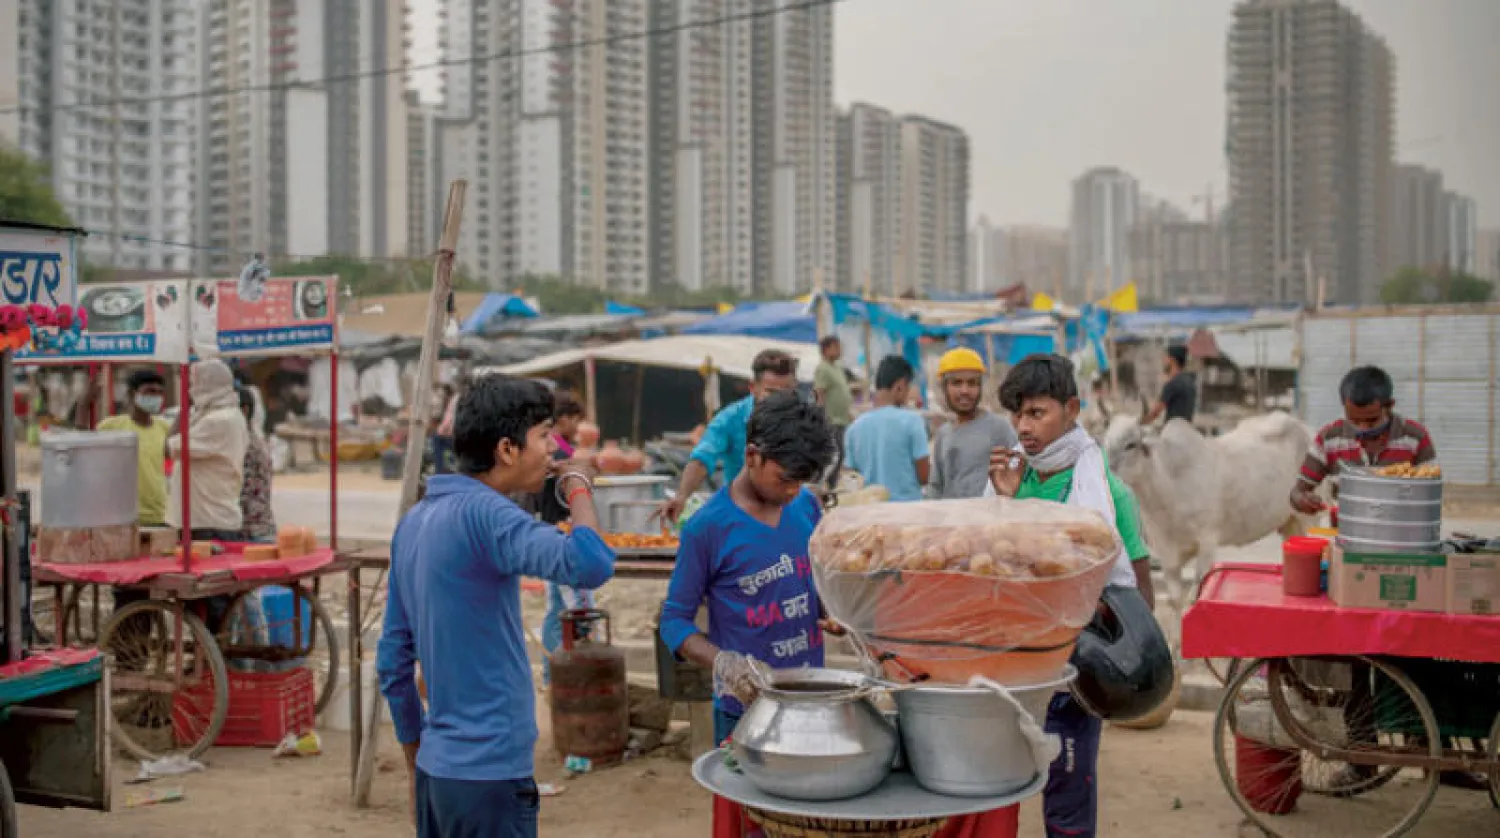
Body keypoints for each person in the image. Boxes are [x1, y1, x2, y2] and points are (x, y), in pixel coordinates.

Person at [377, 375, 616, 838]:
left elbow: (392, 662)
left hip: (438, 772)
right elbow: (590, 563)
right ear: (507, 449)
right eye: (544, 437)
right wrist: (579, 487)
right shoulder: (490, 515)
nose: (553, 450)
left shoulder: (415, 520)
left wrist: (415, 764)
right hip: (489, 775)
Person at [945, 353, 1153, 838]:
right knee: (998, 792)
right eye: (1017, 415)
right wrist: (1007, 503)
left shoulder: (1107, 491)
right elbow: (989, 565)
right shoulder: (1013, 480)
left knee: (1067, 804)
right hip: (1008, 670)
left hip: (1071, 679)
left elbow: (1137, 592)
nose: (1023, 426)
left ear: (1072, 409)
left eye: (1037, 413)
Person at [658, 391, 838, 838]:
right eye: (785, 479)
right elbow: (674, 621)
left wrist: (831, 611)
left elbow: (811, 579)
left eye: (802, 481)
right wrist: (724, 662)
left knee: (805, 821)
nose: (793, 490)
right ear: (753, 456)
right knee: (753, 823)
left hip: (809, 701)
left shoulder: (805, 506)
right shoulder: (708, 528)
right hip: (746, 711)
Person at [657, 349, 799, 524]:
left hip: (788, 510)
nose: (779, 400)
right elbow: (702, 459)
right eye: (770, 392)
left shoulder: (802, 418)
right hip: (742, 513)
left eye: (785, 393)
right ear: (753, 388)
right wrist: (681, 496)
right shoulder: (730, 419)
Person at [1290, 365, 1436, 514]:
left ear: (1390, 406)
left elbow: (1431, 494)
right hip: (1348, 531)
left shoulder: (1416, 437)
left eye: (1372, 420)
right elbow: (1297, 492)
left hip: (1401, 532)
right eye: (1354, 420)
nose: (1363, 427)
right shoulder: (1329, 439)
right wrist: (1303, 500)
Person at [539, 396, 595, 687]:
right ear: (563, 418)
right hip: (562, 529)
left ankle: (552, 675)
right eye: (575, 419)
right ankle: (568, 673)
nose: (578, 425)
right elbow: (571, 467)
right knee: (579, 604)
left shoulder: (553, 444)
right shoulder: (554, 444)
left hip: (553, 528)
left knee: (556, 605)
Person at [167, 359, 249, 542]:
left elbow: (167, 447)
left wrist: (185, 405)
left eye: (192, 384)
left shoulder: (218, 421)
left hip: (209, 523)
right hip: (205, 521)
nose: (190, 390)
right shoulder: (218, 415)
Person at [927, 347, 1018, 499]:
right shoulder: (944, 434)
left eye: (972, 383)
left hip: (987, 520)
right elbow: (936, 486)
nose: (965, 391)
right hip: (951, 519)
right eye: (957, 383)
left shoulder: (998, 428)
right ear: (944, 387)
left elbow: (1018, 475)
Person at [841, 355, 930, 502]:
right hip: (908, 512)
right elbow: (924, 476)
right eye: (908, 388)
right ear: (900, 387)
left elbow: (850, 480)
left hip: (870, 513)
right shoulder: (912, 421)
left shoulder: (854, 428)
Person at [97, 369, 171, 527]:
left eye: (159, 393)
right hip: (123, 515)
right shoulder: (112, 425)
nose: (155, 397)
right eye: (150, 392)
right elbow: (86, 448)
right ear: (132, 394)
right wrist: (84, 404)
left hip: (158, 514)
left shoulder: (164, 427)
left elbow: (173, 454)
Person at [237, 387, 277, 543]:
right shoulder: (256, 440)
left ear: (244, 410)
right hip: (261, 527)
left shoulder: (246, 444)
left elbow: (242, 492)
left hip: (251, 531)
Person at [813, 335, 853, 480]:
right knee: (835, 455)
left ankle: (833, 482)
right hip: (832, 420)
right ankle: (829, 482)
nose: (840, 350)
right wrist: (821, 417)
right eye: (836, 347)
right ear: (826, 349)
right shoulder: (823, 368)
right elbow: (820, 392)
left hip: (842, 419)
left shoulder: (837, 367)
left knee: (842, 454)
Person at [1144, 344, 1196, 424]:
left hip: (1172, 430)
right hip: (1187, 429)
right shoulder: (1190, 382)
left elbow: (1156, 412)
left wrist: (1141, 422)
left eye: (1165, 358)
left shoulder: (1173, 383)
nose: (1163, 361)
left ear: (1172, 360)